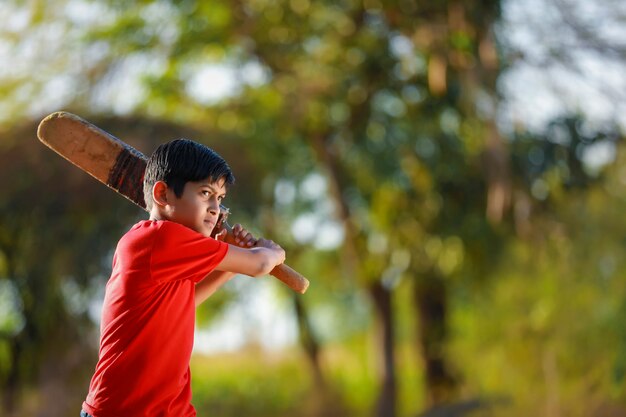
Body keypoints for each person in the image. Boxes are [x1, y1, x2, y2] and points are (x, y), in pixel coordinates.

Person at [80, 139, 285, 417]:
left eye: (220, 198)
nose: (215, 208)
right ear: (162, 194)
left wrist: (232, 262)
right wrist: (272, 252)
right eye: (205, 193)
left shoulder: (166, 251)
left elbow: (187, 301)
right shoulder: (159, 238)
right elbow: (261, 264)